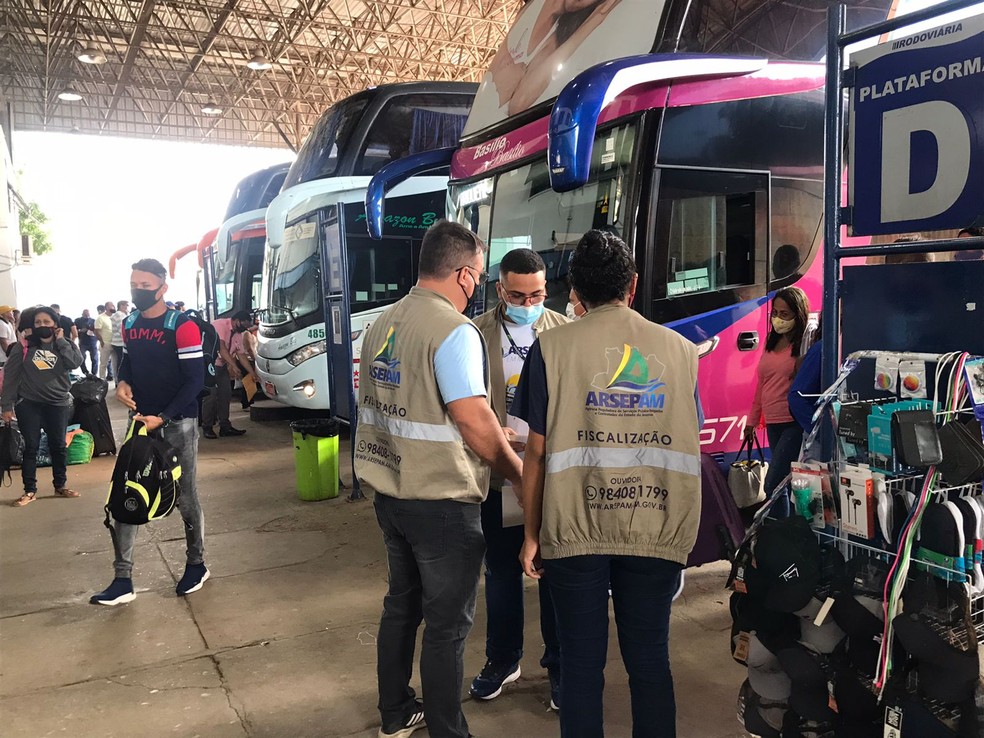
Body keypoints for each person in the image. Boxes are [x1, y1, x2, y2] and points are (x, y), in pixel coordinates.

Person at [514, 230, 702, 738]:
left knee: (579, 663)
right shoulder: (682, 353)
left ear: (574, 291)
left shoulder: (549, 349)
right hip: (656, 528)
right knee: (649, 661)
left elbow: (536, 453)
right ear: (633, 286)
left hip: (574, 530)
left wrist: (532, 534)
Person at [355, 220, 524, 738]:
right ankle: (449, 731)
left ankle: (396, 711)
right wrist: (518, 473)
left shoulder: (383, 323)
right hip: (441, 501)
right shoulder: (454, 331)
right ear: (466, 276)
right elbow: (473, 419)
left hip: (389, 490)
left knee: (402, 604)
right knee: (447, 626)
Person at [470, 248, 568, 708]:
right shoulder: (475, 334)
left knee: (554, 574)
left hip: (550, 476)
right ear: (499, 291)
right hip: (497, 475)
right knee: (502, 572)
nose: (528, 303)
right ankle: (503, 659)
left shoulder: (564, 332)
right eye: (518, 295)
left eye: (538, 294)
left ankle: (559, 667)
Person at [91, 259, 207, 606]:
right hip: (139, 421)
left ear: (162, 287)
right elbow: (128, 363)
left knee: (184, 495)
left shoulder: (182, 326)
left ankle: (197, 564)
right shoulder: (128, 324)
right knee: (126, 494)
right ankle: (122, 579)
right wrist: (123, 382)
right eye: (134, 285)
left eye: (145, 285)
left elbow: (195, 381)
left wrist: (165, 415)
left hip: (178, 422)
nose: (138, 291)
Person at [1, 306, 84, 507]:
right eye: (38, 322)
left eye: (47, 322)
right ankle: (29, 490)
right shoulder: (24, 346)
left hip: (58, 404)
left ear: (55, 324)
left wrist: (62, 340)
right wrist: (7, 406)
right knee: (31, 446)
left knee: (58, 445)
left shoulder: (65, 345)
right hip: (29, 404)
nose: (42, 326)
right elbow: (11, 377)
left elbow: (75, 363)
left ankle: (60, 485)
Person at [744, 286, 811, 517]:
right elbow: (761, 385)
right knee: (785, 483)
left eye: (785, 314)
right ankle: (791, 531)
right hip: (772, 421)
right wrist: (751, 421)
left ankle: (781, 532)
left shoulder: (803, 345)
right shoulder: (771, 343)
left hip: (793, 422)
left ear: (798, 314)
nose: (778, 319)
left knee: (773, 484)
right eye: (776, 313)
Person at [200, 312, 246, 439]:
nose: (245, 328)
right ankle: (207, 427)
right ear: (236, 320)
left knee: (225, 394)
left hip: (221, 366)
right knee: (211, 395)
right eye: (244, 324)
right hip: (209, 364)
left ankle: (225, 426)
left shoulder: (238, 334)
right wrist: (234, 366)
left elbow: (241, 355)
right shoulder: (220, 325)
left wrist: (253, 373)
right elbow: (222, 347)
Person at [74, 308, 99, 375]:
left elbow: (97, 330)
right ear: (82, 314)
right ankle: (85, 372)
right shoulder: (78, 320)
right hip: (82, 342)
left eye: (88, 314)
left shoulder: (93, 321)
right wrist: (81, 330)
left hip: (92, 342)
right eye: (85, 314)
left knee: (94, 359)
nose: (87, 315)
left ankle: (94, 373)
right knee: (81, 358)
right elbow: (74, 330)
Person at [95, 302, 116, 381]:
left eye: (113, 306)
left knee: (115, 364)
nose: (113, 307)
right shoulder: (101, 318)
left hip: (115, 343)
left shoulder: (115, 317)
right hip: (105, 343)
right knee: (104, 363)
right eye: (111, 306)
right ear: (107, 307)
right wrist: (101, 341)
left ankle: (116, 381)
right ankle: (102, 381)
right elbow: (96, 330)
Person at [110, 300, 130, 379]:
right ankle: (120, 380)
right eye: (126, 305)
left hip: (119, 342)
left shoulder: (124, 314)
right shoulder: (119, 315)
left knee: (118, 362)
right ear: (121, 305)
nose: (127, 307)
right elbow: (121, 329)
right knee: (121, 362)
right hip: (119, 342)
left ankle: (119, 380)